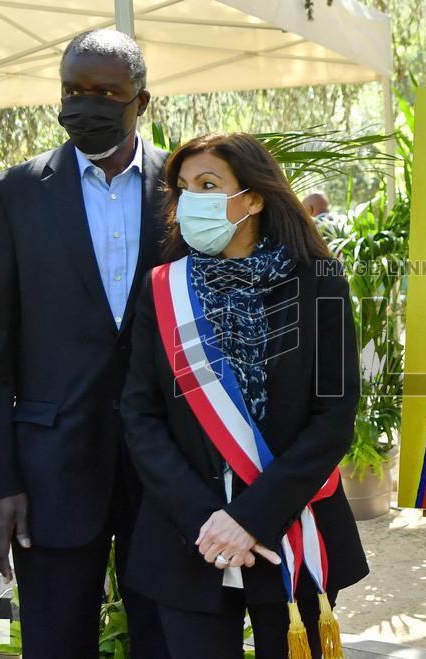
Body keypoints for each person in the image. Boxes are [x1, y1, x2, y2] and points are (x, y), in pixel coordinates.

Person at [120, 133, 368, 658]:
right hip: (189, 536)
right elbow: (141, 416)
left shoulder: (318, 283)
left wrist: (249, 518)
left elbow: (333, 416)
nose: (192, 199)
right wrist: (207, 521)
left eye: (209, 184)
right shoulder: (163, 289)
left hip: (293, 527)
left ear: (253, 197)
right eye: (183, 188)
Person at [0, 29, 170, 658]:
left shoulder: (186, 188)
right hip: (48, 476)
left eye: (107, 92)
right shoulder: (16, 194)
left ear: (142, 101)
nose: (87, 104)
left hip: (166, 472)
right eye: (73, 91)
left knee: (168, 642)